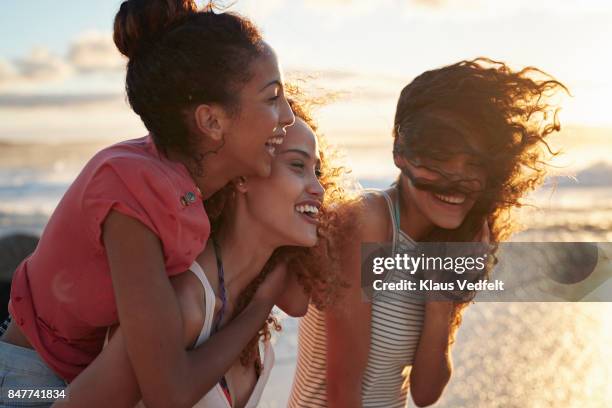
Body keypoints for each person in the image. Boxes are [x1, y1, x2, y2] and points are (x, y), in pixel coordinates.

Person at [0, 1, 295, 407]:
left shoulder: (188, 179)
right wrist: (260, 307)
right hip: (31, 381)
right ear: (210, 122)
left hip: (83, 377)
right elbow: (168, 393)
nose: (288, 117)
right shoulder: (133, 192)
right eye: (273, 98)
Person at [289, 58, 568, 407]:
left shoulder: (455, 241)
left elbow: (425, 392)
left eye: (473, 164)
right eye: (440, 158)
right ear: (400, 153)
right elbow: (342, 392)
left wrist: (441, 301)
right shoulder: (368, 223)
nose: (456, 180)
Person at [53, 98, 347, 408]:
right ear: (245, 174)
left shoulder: (254, 300)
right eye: (298, 166)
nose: (319, 188)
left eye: (316, 170)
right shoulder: (186, 300)